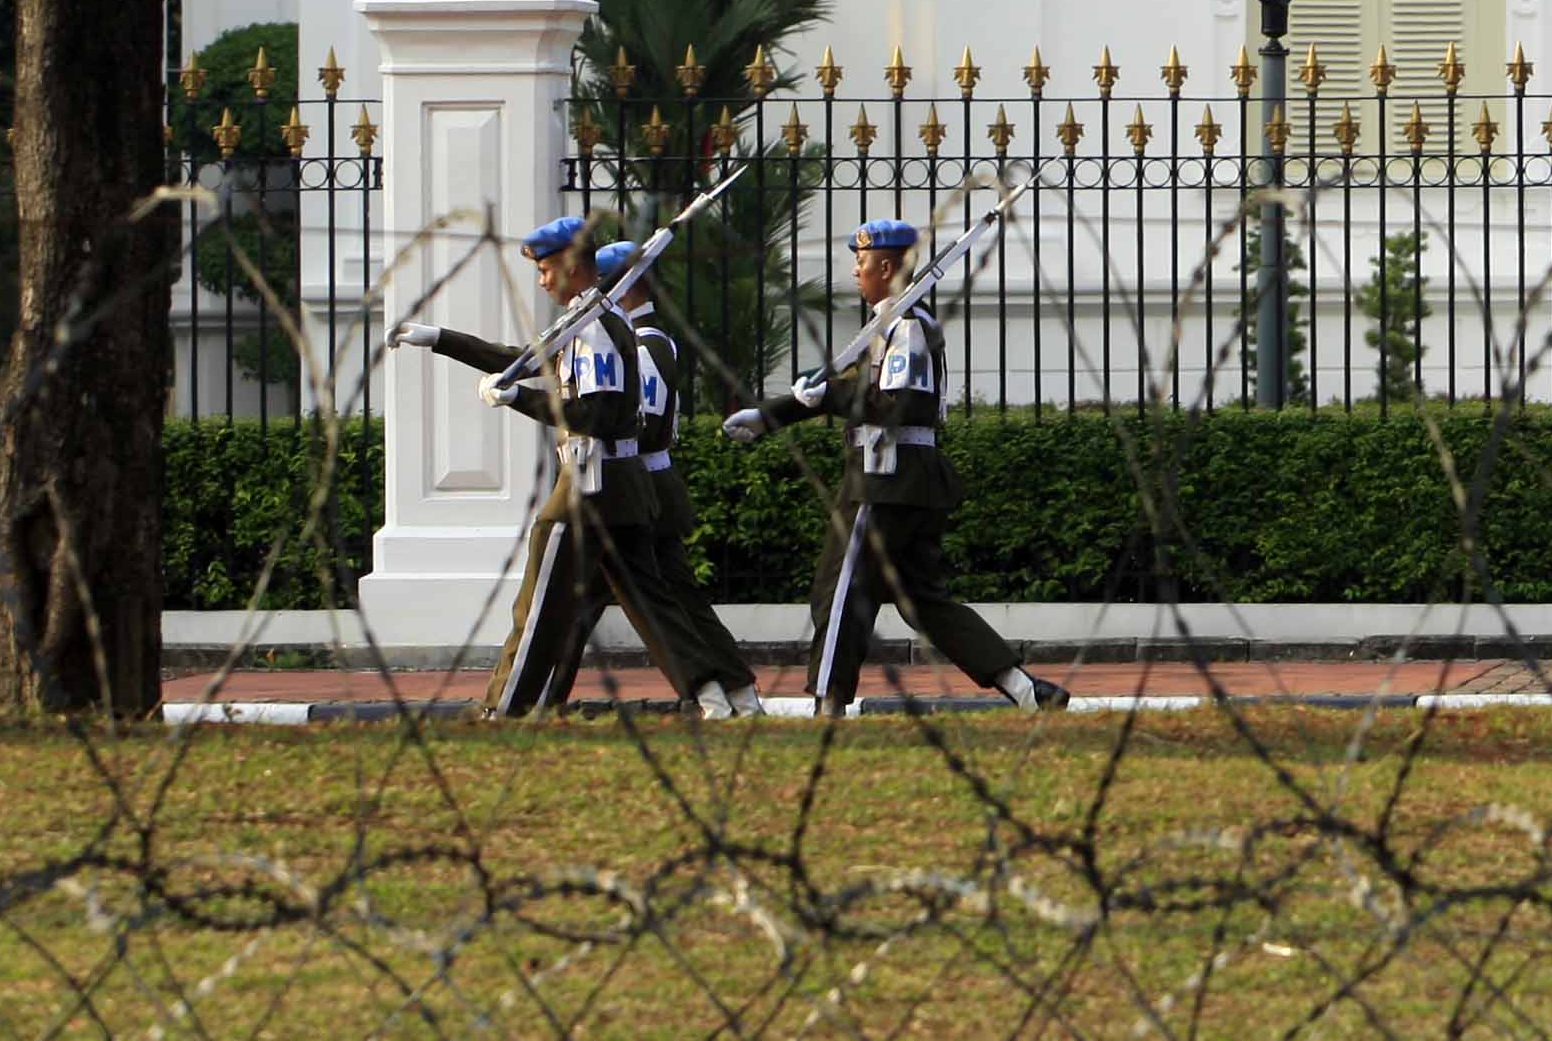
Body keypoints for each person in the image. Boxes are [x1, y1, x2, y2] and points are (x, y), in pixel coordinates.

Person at [724, 217, 1067, 718]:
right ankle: (1024, 689)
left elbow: (894, 402)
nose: (855, 273)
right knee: (923, 601)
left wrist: (832, 395)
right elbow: (841, 392)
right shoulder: (889, 326)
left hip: (883, 481)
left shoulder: (906, 328)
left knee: (838, 592)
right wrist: (769, 416)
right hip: (902, 479)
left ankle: (829, 703)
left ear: (886, 267)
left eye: (861, 264)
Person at [384, 213, 663, 717]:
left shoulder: (595, 325)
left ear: (574, 265)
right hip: (609, 484)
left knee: (537, 607)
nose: (542, 281)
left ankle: (504, 707)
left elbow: (592, 414)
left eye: (547, 270)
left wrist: (516, 400)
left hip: (587, 484)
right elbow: (523, 358)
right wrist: (439, 338)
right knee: (650, 607)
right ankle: (722, 690)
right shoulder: (588, 317)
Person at [593, 238, 764, 718]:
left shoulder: (644, 346)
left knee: (664, 603)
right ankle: (735, 694)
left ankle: (720, 694)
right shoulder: (641, 341)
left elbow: (642, 424)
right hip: (640, 485)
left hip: (637, 485)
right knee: (674, 600)